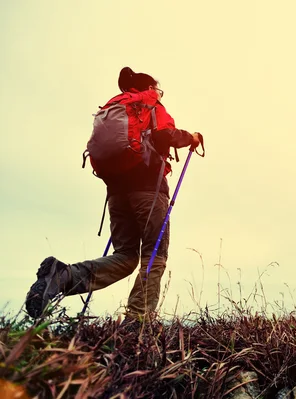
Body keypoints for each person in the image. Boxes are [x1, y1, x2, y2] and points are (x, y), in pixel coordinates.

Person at [25, 67, 202, 324]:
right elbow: (165, 135)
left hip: (117, 193)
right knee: (155, 254)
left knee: (126, 256)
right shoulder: (150, 105)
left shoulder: (115, 107)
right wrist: (191, 137)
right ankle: (137, 322)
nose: (159, 93)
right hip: (148, 190)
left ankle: (61, 276)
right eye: (157, 89)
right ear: (150, 89)